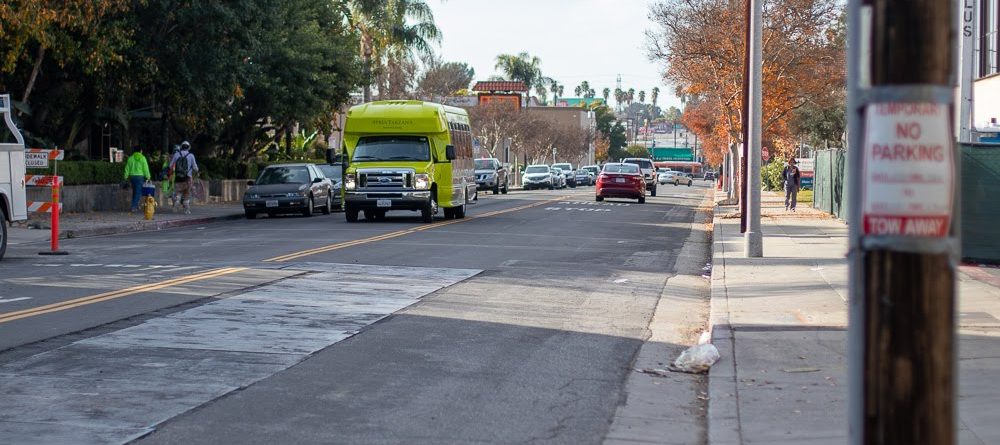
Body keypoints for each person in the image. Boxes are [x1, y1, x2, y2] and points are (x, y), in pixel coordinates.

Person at [169, 140, 199, 214]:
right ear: (188, 147)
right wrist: (196, 171)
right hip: (188, 178)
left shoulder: (176, 154)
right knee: (186, 193)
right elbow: (195, 168)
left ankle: (177, 201)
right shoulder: (191, 155)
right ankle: (187, 210)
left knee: (178, 192)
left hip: (178, 177)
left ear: (181, 147)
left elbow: (170, 165)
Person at [123, 145, 151, 213]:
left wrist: (125, 176)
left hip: (132, 177)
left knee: (135, 192)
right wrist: (148, 177)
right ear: (140, 150)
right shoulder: (143, 158)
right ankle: (133, 207)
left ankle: (135, 206)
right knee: (138, 193)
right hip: (140, 177)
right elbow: (145, 168)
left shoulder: (130, 158)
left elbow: (127, 168)